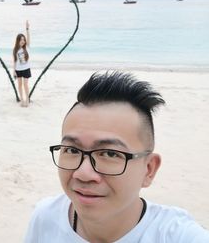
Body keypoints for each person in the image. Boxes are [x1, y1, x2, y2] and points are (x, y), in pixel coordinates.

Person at [24, 71, 209, 242]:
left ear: (149, 170)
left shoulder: (177, 236)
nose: (83, 173)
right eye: (72, 150)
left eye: (109, 153)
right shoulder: (45, 217)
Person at [13, 20, 31, 107]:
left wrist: (27, 28)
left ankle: (27, 99)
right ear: (18, 41)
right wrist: (14, 71)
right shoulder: (15, 49)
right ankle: (22, 100)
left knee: (25, 84)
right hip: (18, 70)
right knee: (20, 85)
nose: (23, 41)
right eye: (21, 40)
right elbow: (15, 61)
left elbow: (28, 38)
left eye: (24, 40)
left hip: (26, 69)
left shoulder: (26, 47)